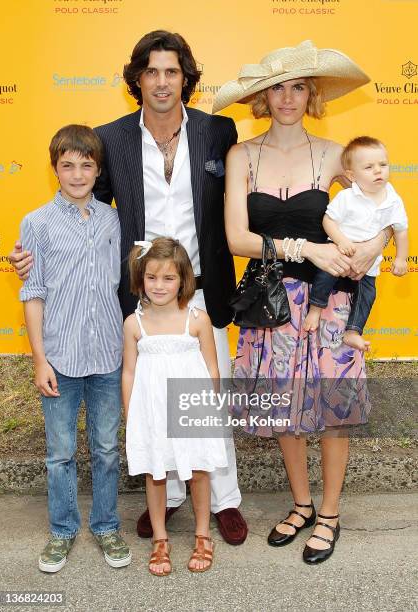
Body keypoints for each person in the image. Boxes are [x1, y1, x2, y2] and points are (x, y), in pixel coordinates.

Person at [10, 30, 247, 545]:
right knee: (154, 402)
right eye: (152, 72)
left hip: (203, 292)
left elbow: (245, 200)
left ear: (186, 79)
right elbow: (79, 206)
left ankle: (224, 499)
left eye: (172, 72)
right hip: (143, 299)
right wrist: (33, 253)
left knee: (206, 398)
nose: (162, 82)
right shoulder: (111, 138)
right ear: (136, 79)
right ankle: (173, 499)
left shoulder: (218, 132)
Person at [215, 40, 392, 564]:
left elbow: (384, 205)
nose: (287, 97)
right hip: (268, 304)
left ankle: (330, 514)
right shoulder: (241, 155)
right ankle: (300, 504)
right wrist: (306, 245)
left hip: (330, 301)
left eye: (297, 87)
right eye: (276, 88)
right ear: (261, 98)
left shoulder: (337, 154)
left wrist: (371, 248)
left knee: (332, 409)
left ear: (311, 94)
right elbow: (237, 240)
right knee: (282, 410)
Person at [19, 125, 131, 573]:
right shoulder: (36, 223)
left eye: (86, 165)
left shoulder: (113, 219)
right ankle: (62, 531)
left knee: (106, 448)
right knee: (59, 452)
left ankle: (106, 525)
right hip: (60, 357)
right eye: (68, 164)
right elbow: (33, 293)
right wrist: (39, 359)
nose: (77, 173)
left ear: (98, 170)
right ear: (55, 169)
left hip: (107, 353)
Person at [123, 237, 228, 575]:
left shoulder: (197, 320)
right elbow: (129, 372)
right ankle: (160, 538)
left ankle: (202, 534)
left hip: (190, 406)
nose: (159, 285)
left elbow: (212, 368)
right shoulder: (133, 324)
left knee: (198, 471)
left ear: (184, 280)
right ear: (140, 280)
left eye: (168, 278)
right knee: (156, 473)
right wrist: (130, 414)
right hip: (151, 409)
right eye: (151, 277)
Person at [304, 136, 408, 351]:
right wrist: (341, 241)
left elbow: (400, 229)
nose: (378, 171)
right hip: (340, 252)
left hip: (369, 264)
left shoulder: (393, 198)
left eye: (383, 165)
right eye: (369, 167)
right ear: (351, 175)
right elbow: (328, 220)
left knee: (368, 295)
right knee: (325, 276)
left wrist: (401, 258)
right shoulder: (347, 196)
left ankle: (353, 331)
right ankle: (315, 309)